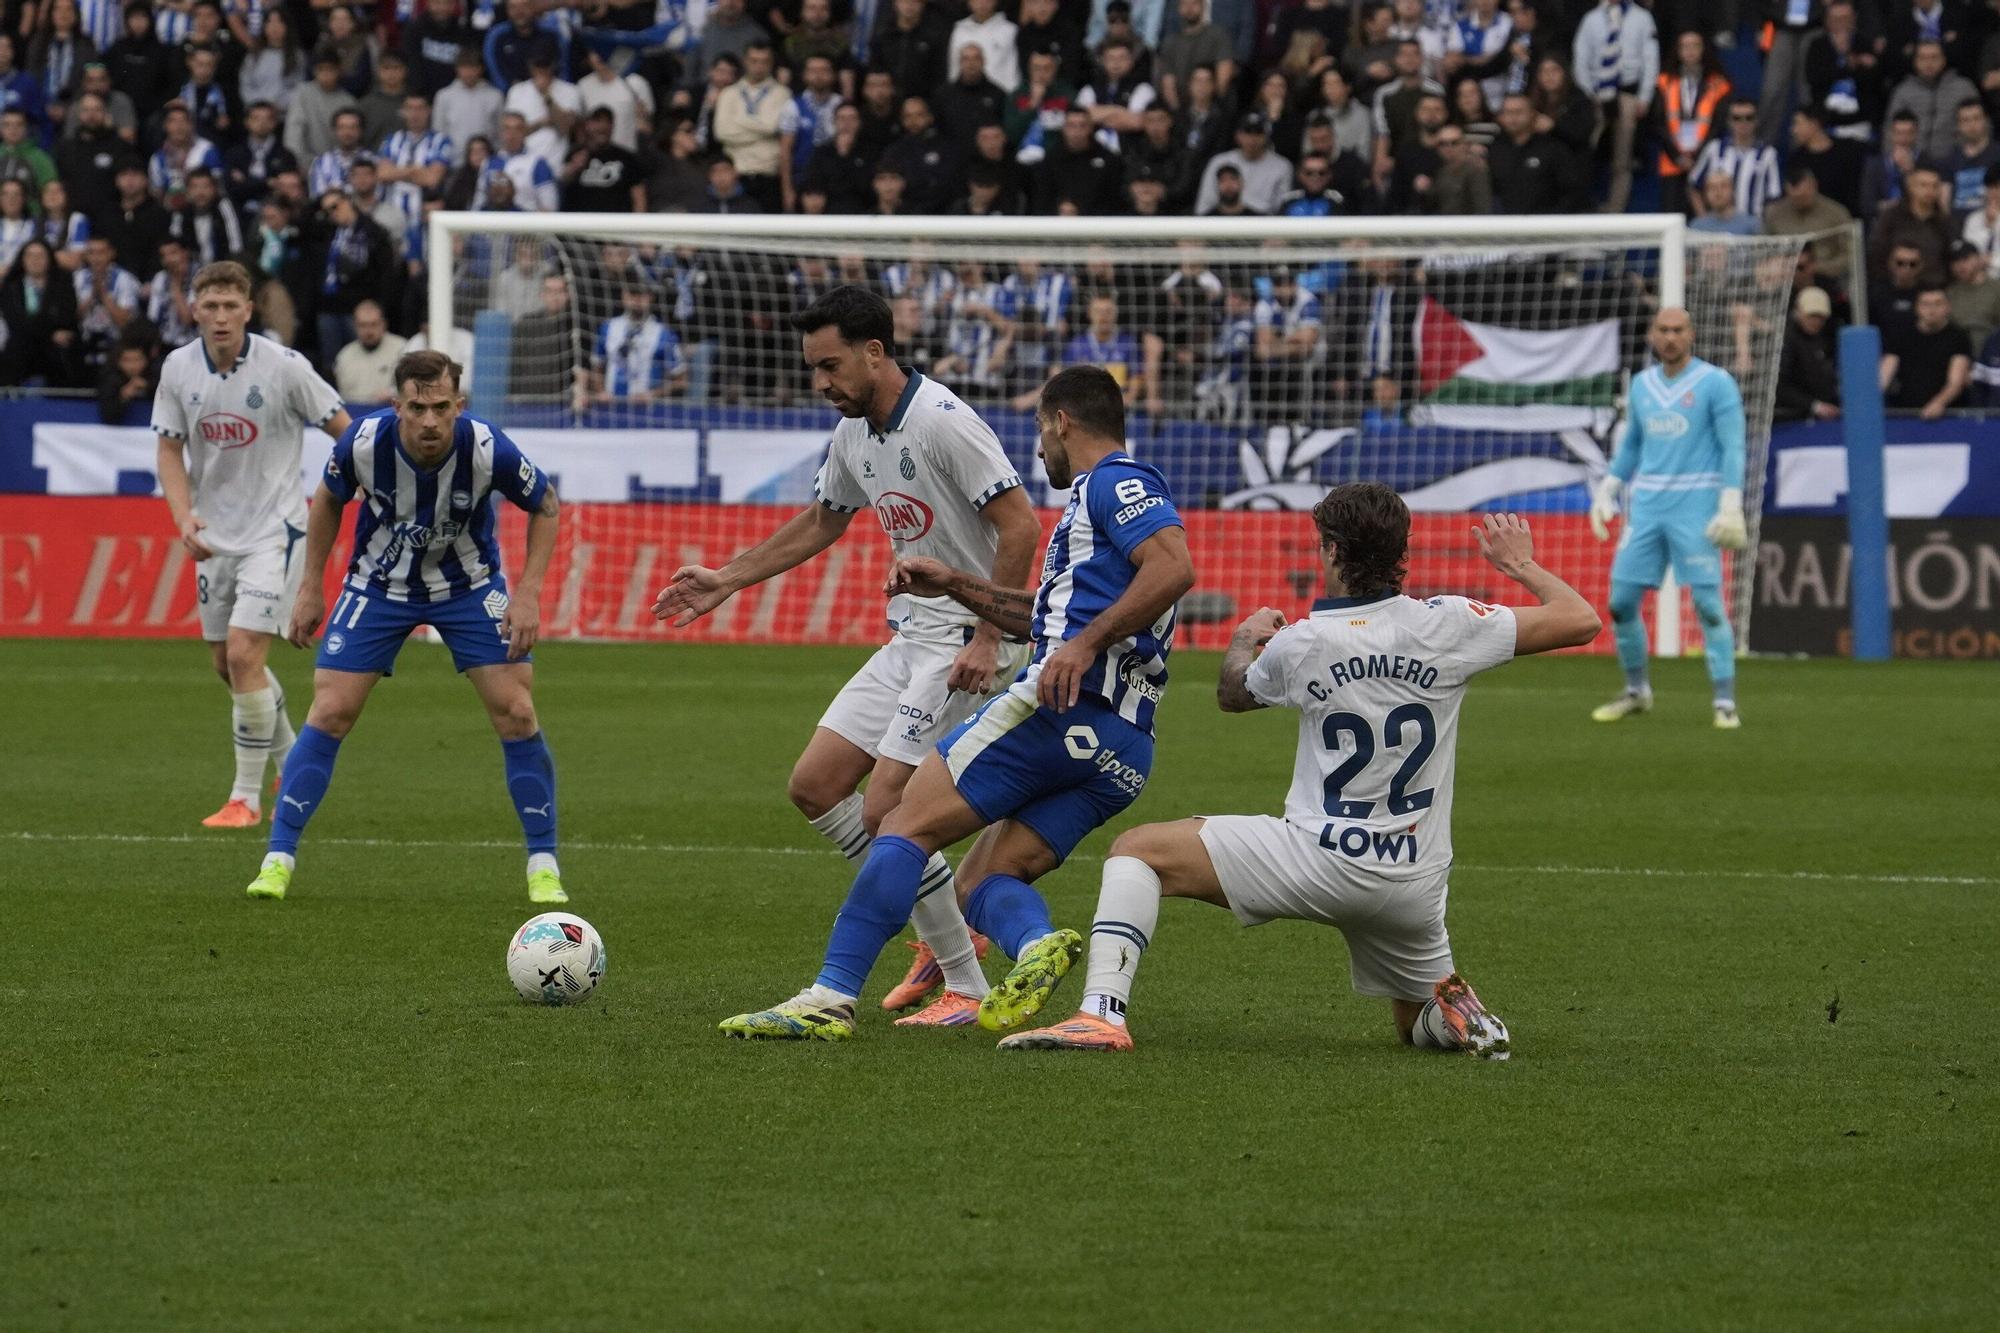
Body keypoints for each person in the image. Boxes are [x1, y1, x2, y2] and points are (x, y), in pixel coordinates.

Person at [1001, 493, 1599, 1053]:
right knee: (1411, 1021)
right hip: (1411, 881)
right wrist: (1519, 563)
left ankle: (1102, 1014)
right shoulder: (1454, 623)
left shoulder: (1305, 642)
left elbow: (1233, 696)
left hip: (1314, 858)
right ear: (1404, 556)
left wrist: (1243, 640)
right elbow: (1580, 620)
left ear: (1333, 551)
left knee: (1139, 851)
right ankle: (1453, 1012)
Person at [708, 363, 1194, 1040]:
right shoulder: (1088, 511)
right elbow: (1047, 618)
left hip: (1062, 707)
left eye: (1039, 430)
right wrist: (955, 582)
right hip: (1121, 749)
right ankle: (1035, 946)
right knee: (982, 879)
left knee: (900, 822)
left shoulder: (1117, 480)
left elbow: (1174, 567)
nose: (1038, 449)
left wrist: (1083, 646)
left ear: (1061, 422)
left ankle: (830, 993)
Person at [655, 286, 1041, 1024]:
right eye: (813, 369)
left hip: (965, 640)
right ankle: (946, 942)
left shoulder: (943, 422)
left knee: (887, 810)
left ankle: (955, 979)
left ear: (875, 352)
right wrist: (727, 579)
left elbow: (1020, 525)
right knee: (815, 785)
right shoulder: (854, 433)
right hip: (911, 635)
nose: (821, 383)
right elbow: (822, 521)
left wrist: (993, 638)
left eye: (830, 366)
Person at [244, 349, 567, 905]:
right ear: (397, 406)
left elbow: (546, 505)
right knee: (330, 710)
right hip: (378, 586)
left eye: (442, 407)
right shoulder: (363, 444)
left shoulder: (487, 447)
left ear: (459, 405)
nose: (430, 421)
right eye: (417, 408)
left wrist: (529, 594)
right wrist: (309, 586)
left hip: (469, 587)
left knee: (516, 712)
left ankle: (543, 864)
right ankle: (277, 858)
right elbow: (326, 500)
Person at [151, 260, 354, 829]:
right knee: (228, 665)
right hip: (213, 537)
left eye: (229, 306)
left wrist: (349, 486)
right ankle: (292, 762)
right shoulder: (177, 368)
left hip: (276, 531)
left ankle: (245, 799)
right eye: (208, 305)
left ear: (249, 310)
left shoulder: (284, 367)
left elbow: (345, 429)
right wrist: (182, 516)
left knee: (244, 655)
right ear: (194, 308)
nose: (219, 317)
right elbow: (169, 448)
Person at [1587, 307, 1748, 730]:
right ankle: (1637, 691)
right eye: (1663, 330)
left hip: (1696, 502)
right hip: (1648, 505)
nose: (1671, 337)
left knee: (1709, 606)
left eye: (1678, 330)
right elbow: (1632, 446)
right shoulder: (1642, 385)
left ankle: (1725, 701)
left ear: (1691, 334)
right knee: (1620, 604)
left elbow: (1733, 446)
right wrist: (1607, 489)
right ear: (1651, 335)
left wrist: (1730, 501)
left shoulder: (1715, 382)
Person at [1880, 285, 1972, 418]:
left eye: (1938, 303)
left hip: (1947, 414)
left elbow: (1955, 382)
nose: (1932, 309)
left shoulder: (1958, 337)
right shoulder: (1902, 336)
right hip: (1906, 413)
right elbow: (1884, 375)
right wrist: (1868, 402)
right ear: (1917, 308)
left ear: (1947, 307)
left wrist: (1939, 403)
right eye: (1926, 304)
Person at [1774, 285, 1841, 424]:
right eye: (1811, 315)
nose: (1816, 321)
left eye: (1820, 317)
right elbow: (1779, 386)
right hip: (1789, 420)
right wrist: (1814, 406)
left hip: (1820, 417)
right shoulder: (1786, 340)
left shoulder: (1824, 339)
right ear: (1798, 311)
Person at [334, 297, 406, 404]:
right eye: (363, 325)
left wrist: (393, 393)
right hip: (354, 414)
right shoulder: (344, 356)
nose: (368, 331)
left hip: (390, 413)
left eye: (373, 324)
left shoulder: (402, 349)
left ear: (383, 324)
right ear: (354, 326)